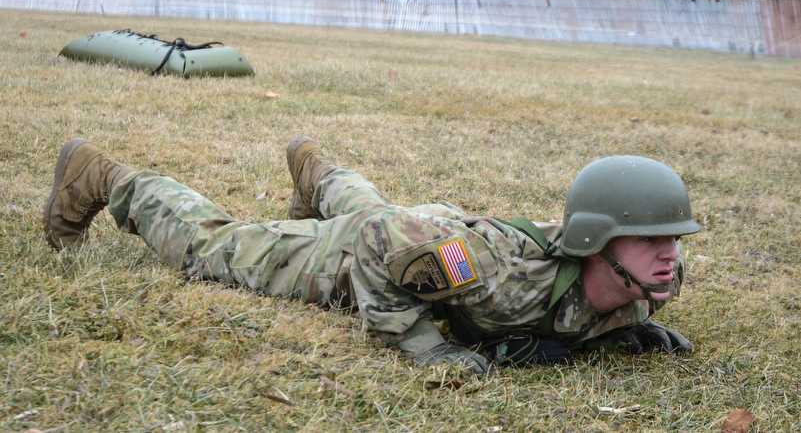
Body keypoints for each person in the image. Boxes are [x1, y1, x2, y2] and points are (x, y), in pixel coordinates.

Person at [42, 136, 700, 377]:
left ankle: (320, 176)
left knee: (387, 219)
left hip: (424, 230)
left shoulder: (638, 283)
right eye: (650, 241)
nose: (669, 256)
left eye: (672, 238)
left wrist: (631, 326)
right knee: (207, 247)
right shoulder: (498, 273)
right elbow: (385, 246)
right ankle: (102, 174)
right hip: (367, 247)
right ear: (593, 243)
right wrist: (422, 344)